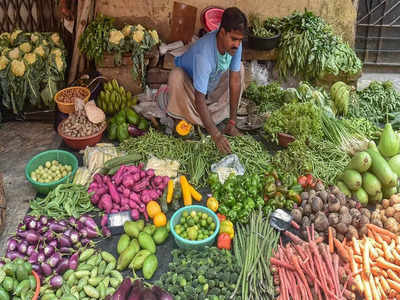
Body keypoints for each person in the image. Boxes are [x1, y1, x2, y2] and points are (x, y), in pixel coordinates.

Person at [167, 7, 247, 154]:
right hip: (190, 89)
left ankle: (212, 120)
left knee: (239, 70)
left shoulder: (236, 45)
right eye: (234, 39)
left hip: (211, 84)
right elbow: (199, 99)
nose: (237, 44)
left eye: (240, 40)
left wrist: (232, 121)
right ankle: (191, 118)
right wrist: (216, 135)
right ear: (222, 33)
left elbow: (234, 81)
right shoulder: (204, 54)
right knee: (176, 76)